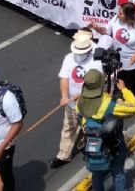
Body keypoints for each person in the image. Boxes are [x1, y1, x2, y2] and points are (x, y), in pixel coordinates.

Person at [78, 69, 135, 191]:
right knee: (117, 173)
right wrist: (123, 90)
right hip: (113, 144)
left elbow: (83, 118)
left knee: (97, 174)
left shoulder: (80, 102)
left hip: (92, 143)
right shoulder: (109, 104)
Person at [49, 30, 103, 169]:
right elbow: (64, 78)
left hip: (90, 105)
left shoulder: (97, 62)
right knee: (68, 128)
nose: (78, 55)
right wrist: (64, 96)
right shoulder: (69, 58)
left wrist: (80, 95)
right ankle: (63, 155)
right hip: (72, 104)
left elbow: (97, 85)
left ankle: (93, 154)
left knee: (93, 130)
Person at [89, 2, 135, 98]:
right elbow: (106, 31)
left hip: (133, 63)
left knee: (130, 85)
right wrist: (97, 28)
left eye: (121, 13)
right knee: (119, 81)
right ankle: (122, 100)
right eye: (119, 12)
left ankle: (132, 103)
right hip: (117, 60)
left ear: (129, 16)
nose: (118, 15)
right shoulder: (115, 20)